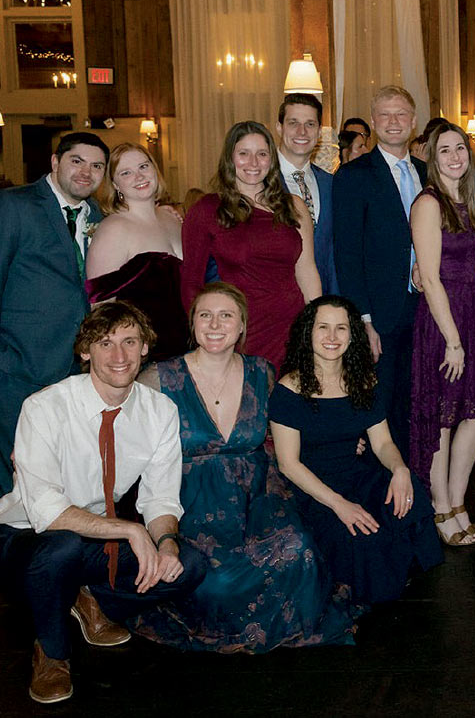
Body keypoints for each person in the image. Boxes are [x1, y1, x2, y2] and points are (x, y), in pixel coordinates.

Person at [131, 283, 358, 651]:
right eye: (205, 315)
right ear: (193, 324)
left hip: (258, 495)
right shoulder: (158, 378)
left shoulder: (262, 373)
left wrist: (346, 438)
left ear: (241, 327)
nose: (215, 324)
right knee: (216, 582)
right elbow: (117, 429)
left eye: (226, 316)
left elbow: (294, 427)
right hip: (192, 499)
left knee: (299, 551)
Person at [0, 301, 206, 703]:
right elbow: (47, 511)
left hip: (91, 539)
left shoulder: (159, 411)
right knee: (62, 547)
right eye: (105, 343)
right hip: (22, 537)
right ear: (84, 351)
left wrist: (165, 543)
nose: (119, 356)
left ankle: (83, 594)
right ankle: (51, 652)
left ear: (145, 347)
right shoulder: (43, 407)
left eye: (130, 342)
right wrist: (131, 530)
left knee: (188, 566)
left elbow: (161, 498)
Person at [269, 296, 443, 604]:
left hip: (356, 476)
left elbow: (383, 443)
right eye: (323, 327)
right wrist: (339, 504)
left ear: (352, 335)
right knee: (362, 541)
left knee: (409, 491)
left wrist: (400, 469)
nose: (332, 337)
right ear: (308, 332)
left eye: (341, 328)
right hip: (314, 490)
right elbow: (289, 465)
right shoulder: (289, 389)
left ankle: (397, 572)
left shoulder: (363, 381)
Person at [409, 121, 475, 546]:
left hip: (474, 314)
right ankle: (441, 507)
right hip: (443, 320)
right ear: (431, 156)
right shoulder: (428, 203)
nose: (454, 157)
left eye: (460, 149)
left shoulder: (467, 200)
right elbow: (428, 277)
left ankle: (460, 501)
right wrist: (452, 341)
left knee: (474, 414)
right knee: (443, 417)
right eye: (444, 150)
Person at [0, 132, 109, 493]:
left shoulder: (98, 215)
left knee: (61, 476)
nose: (86, 172)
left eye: (96, 166)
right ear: (54, 161)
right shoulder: (14, 205)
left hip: (73, 372)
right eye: (77, 161)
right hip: (17, 368)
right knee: (15, 477)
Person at [181, 121, 321, 372]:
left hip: (292, 326)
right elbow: (191, 282)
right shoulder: (207, 209)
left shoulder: (294, 206)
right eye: (243, 154)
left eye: (262, 154)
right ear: (229, 158)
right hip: (241, 330)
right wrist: (208, 335)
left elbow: (307, 271)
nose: (253, 163)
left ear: (272, 159)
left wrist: (316, 325)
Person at [333, 86, 426, 461]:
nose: (393, 122)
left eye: (400, 114)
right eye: (384, 115)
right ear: (372, 124)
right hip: (380, 316)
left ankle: (414, 488)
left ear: (413, 121)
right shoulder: (353, 176)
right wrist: (364, 320)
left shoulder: (426, 171)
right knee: (381, 407)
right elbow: (347, 255)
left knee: (417, 403)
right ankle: (384, 492)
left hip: (424, 308)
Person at [86, 143, 187, 360]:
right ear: (115, 184)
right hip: (144, 356)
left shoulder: (172, 217)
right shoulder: (113, 229)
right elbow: (101, 309)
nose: (139, 176)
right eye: (126, 173)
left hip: (188, 348)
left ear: (155, 170)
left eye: (143, 166)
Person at [277, 93, 338, 294]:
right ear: (279, 128)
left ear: (319, 132)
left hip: (324, 304)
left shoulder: (332, 185)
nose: (301, 131)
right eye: (293, 122)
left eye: (310, 124)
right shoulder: (257, 182)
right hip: (273, 305)